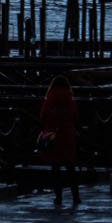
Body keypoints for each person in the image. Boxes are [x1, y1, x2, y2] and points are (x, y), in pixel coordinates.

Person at [37, 74, 79, 207]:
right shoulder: (69, 96)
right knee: (70, 167)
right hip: (67, 134)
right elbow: (75, 116)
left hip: (54, 135)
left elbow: (43, 115)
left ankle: (58, 197)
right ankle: (75, 195)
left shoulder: (51, 96)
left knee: (55, 168)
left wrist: (45, 129)